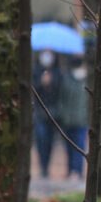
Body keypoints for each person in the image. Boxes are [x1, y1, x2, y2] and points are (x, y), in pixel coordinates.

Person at [32, 49, 62, 178]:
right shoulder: (36, 71)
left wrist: (51, 83)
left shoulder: (57, 72)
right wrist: (41, 83)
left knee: (49, 141)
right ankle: (42, 166)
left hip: (53, 114)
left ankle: (46, 166)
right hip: (39, 113)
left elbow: (60, 90)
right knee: (41, 139)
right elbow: (32, 89)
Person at [58, 57, 89, 180]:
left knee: (78, 146)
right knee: (71, 147)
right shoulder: (68, 80)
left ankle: (77, 170)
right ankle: (72, 169)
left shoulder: (83, 80)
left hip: (79, 120)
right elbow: (62, 99)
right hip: (70, 120)